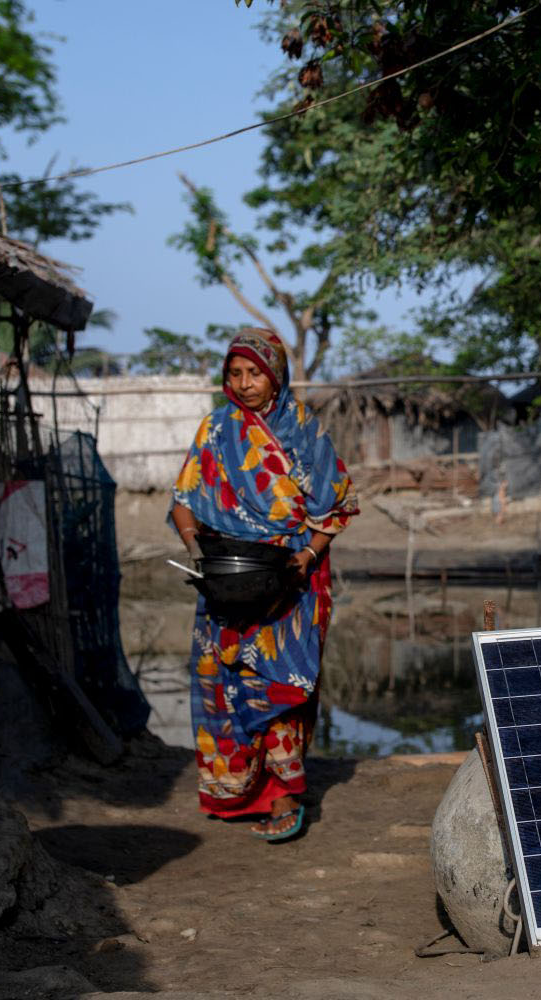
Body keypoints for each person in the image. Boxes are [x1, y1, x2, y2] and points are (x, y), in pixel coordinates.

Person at [168, 327, 358, 841]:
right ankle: (240, 791)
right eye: (236, 373)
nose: (245, 383)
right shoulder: (215, 430)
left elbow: (335, 506)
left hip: (291, 580)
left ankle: (287, 794)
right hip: (227, 579)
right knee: (226, 684)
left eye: (255, 372)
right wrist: (195, 550)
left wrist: (304, 556)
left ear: (275, 375)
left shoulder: (303, 431)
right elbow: (184, 499)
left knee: (282, 686)